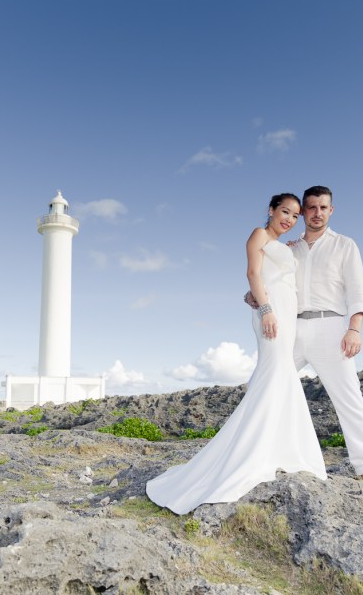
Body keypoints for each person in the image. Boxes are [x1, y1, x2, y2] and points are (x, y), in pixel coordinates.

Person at [145, 193, 327, 516]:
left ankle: (278, 446)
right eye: (285, 211)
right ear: (271, 210)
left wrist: (257, 298)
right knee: (276, 374)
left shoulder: (285, 247)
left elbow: (269, 279)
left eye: (295, 215)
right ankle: (255, 452)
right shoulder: (259, 235)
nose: (289, 219)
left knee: (278, 376)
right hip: (272, 314)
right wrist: (266, 308)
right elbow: (253, 274)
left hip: (285, 312)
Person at [247, 185, 363, 487]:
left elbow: (357, 291)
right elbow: (268, 277)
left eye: (323, 207)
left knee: (349, 399)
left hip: (331, 329)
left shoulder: (345, 245)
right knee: (263, 387)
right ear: (304, 212)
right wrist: (253, 295)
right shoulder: (290, 248)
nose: (317, 213)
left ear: (331, 210)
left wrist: (354, 328)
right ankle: (257, 456)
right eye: (311, 208)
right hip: (290, 329)